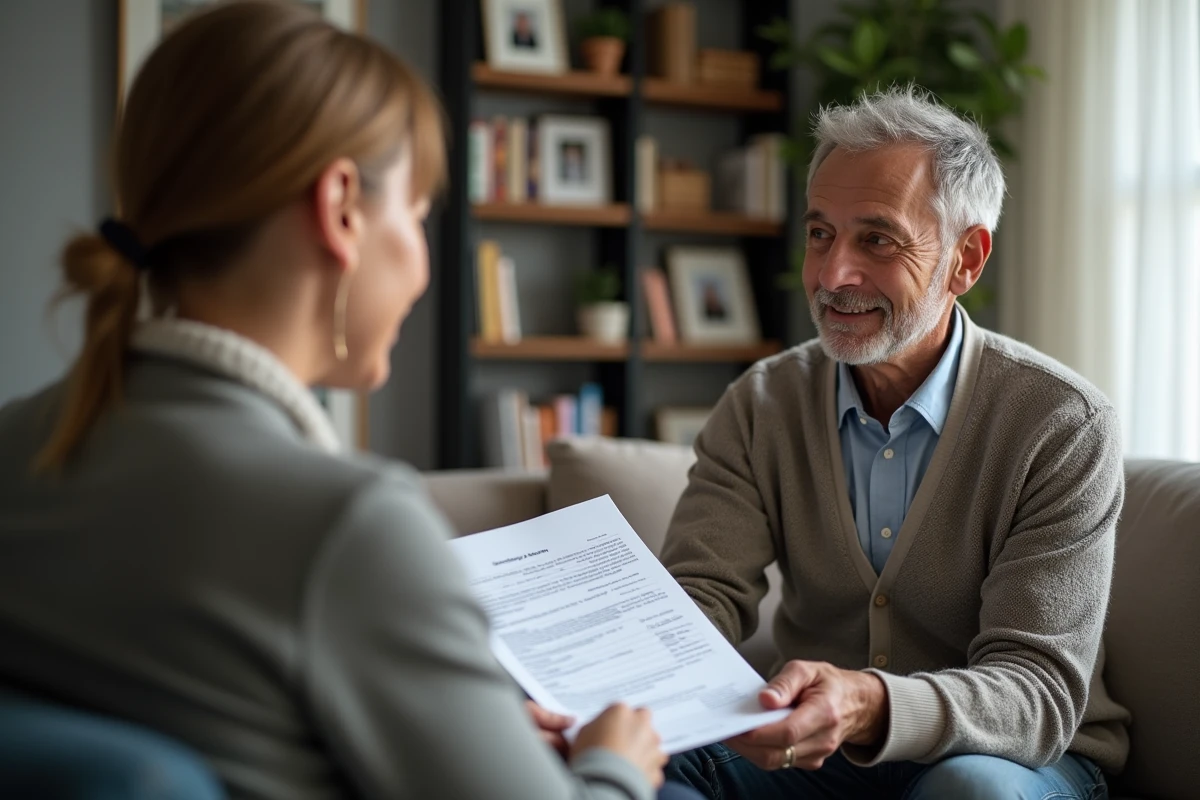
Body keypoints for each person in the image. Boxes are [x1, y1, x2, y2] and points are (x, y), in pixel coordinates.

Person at [0, 3, 695, 799]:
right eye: (418, 215)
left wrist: (467, 717)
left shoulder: (16, 444)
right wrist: (615, 763)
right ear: (340, 209)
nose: (423, 266)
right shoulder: (345, 524)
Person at [655, 87, 1130, 798]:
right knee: (643, 763)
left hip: (1009, 756)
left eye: (876, 239)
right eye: (821, 234)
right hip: (822, 754)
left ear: (966, 260)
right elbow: (697, 601)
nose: (832, 275)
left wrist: (871, 703)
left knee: (969, 792)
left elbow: (1036, 694)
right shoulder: (760, 404)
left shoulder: (1062, 424)